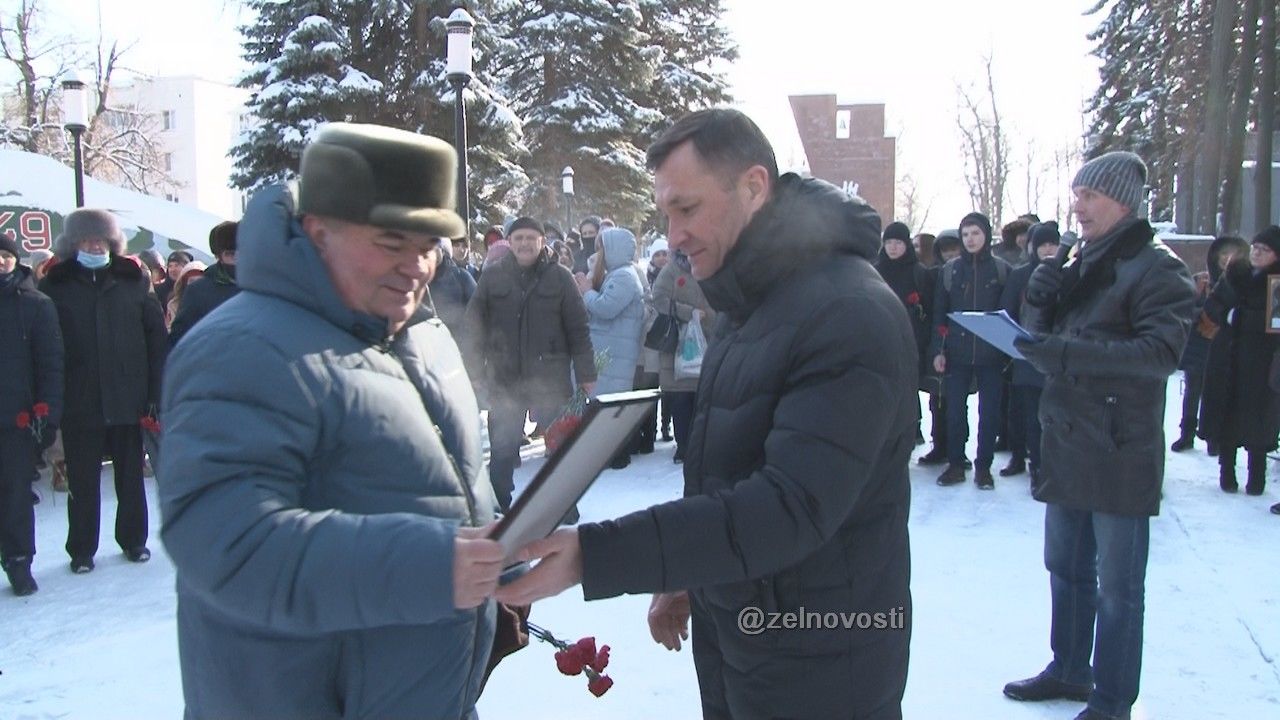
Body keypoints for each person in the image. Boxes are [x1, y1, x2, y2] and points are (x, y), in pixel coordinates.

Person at [497, 108, 915, 719]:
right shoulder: (755, 302)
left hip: (824, 654)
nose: (673, 234)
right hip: (749, 635)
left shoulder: (847, 312)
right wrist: (694, 575)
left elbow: (789, 506)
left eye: (687, 209)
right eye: (666, 214)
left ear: (753, 187)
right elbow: (734, 474)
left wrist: (598, 554)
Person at [158, 123, 507, 718]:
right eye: (390, 242)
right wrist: (436, 565)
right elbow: (227, 543)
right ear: (318, 231)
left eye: (428, 247)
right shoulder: (243, 348)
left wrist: (503, 548)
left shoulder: (422, 335)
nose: (415, 268)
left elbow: (441, 485)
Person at [1005, 151, 1195, 720]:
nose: (1076, 206)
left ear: (1122, 202)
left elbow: (1160, 353)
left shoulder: (1159, 267)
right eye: (1076, 194)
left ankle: (1111, 701)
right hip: (1067, 439)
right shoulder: (1077, 260)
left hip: (1118, 447)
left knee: (1118, 590)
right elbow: (1039, 343)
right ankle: (1069, 669)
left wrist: (1066, 353)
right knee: (1064, 566)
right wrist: (1038, 299)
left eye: (1088, 195)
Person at [39, 209, 168, 574]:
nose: (94, 246)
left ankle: (134, 540)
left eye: (100, 240)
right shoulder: (56, 284)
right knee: (82, 479)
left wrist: (155, 392)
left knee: (130, 477)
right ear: (74, 244)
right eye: (86, 240)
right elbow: (49, 345)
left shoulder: (134, 279)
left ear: (112, 243)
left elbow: (156, 340)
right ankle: (81, 549)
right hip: (81, 398)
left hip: (128, 396)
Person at [462, 216, 596, 512]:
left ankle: (563, 505)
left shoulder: (560, 277)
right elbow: (473, 326)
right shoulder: (492, 277)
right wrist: (473, 370)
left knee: (559, 446)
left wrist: (586, 374)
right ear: (509, 243)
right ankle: (498, 506)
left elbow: (578, 328)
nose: (524, 243)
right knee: (502, 450)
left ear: (541, 241)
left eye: (530, 238)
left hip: (550, 379)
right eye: (518, 238)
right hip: (505, 379)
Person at [0, 236, 64, 595]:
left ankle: (19, 560)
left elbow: (51, 364)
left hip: (17, 418)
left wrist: (46, 410)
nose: (0, 262)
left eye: (5, 256)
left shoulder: (37, 304)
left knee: (15, 495)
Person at [1196, 226, 1280, 497]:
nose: (1256, 253)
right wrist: (1224, 315)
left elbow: (1276, 321)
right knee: (1226, 412)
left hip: (1261, 359)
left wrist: (1241, 318)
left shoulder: (1276, 281)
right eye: (1254, 247)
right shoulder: (1234, 274)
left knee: (1257, 417)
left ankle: (1256, 478)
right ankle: (1226, 473)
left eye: (1264, 250)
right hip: (1226, 355)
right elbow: (1213, 305)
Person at [930, 212, 1011, 489]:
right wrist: (938, 351)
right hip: (957, 352)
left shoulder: (1000, 270)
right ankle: (955, 463)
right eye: (965, 235)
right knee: (954, 413)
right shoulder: (950, 271)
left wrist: (1007, 350)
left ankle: (983, 467)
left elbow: (1009, 314)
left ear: (986, 235)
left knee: (989, 414)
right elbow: (940, 315)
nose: (970, 239)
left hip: (991, 355)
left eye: (975, 233)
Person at [576, 226, 646, 468]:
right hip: (611, 351)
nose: (598, 254)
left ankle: (617, 456)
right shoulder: (619, 274)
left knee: (610, 407)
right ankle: (610, 455)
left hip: (615, 353)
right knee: (605, 404)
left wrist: (586, 291)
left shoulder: (624, 276)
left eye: (600, 248)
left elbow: (606, 308)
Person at [1172, 235, 1248, 452]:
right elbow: (1184, 308)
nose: (1227, 259)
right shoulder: (1200, 281)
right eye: (1224, 254)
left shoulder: (1243, 282)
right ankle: (1187, 433)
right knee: (1193, 390)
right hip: (1199, 343)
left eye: (1233, 254)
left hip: (1226, 345)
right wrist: (1204, 312)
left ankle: (1213, 435)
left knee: (1216, 392)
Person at [998, 221, 1060, 484]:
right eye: (1042, 244)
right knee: (1026, 413)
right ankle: (1029, 462)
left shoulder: (1068, 273)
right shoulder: (1020, 275)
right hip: (1025, 354)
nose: (1047, 249)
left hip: (1057, 355)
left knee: (1052, 416)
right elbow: (1007, 311)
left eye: (1052, 244)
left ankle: (1047, 464)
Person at [874, 221, 935, 446]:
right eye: (888, 242)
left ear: (906, 245)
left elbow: (929, 307)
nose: (892, 248)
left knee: (909, 387)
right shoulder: (875, 270)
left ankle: (913, 429)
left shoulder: (919, 272)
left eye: (898, 243)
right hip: (881, 338)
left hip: (911, 339)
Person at [169, 221, 240, 347]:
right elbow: (180, 338)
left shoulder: (262, 288)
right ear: (219, 257)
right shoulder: (198, 291)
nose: (238, 260)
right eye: (231, 254)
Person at [427, 237, 478, 339]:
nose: (431, 253)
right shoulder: (418, 278)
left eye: (435, 248)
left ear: (443, 251)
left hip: (459, 343)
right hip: (427, 344)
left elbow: (478, 309)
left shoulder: (461, 277)